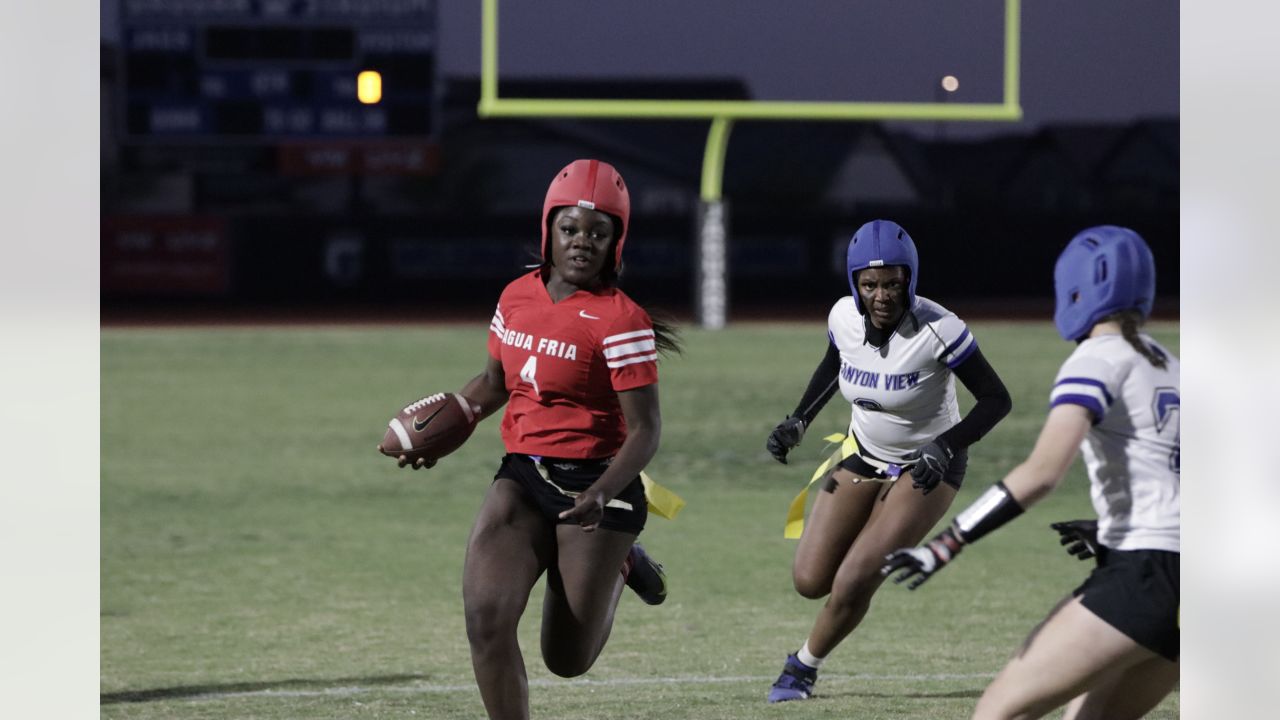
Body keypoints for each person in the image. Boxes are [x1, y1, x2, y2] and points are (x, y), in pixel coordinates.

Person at [384, 159, 680, 720]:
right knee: (486, 620)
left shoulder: (622, 322)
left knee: (566, 659)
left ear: (617, 240)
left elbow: (645, 431)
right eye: (570, 229)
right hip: (523, 477)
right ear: (549, 229)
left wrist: (601, 492)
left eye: (599, 232)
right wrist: (451, 420)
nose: (582, 243)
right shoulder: (517, 296)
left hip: (597, 485)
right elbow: (495, 383)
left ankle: (621, 564)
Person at [882, 225, 1178, 720]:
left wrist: (946, 544)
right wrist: (1113, 530)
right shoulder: (1172, 365)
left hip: (1146, 576)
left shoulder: (1096, 359)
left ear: (1077, 288)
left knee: (999, 712)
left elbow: (1041, 473)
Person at [763, 219, 1012, 703]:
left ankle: (802, 667)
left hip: (927, 469)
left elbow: (996, 400)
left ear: (910, 280)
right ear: (854, 284)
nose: (881, 295)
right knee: (810, 580)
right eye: (870, 284)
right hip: (861, 455)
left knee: (855, 579)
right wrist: (799, 420)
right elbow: (837, 363)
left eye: (893, 283)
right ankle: (830, 620)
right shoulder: (842, 318)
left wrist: (945, 446)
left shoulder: (941, 329)